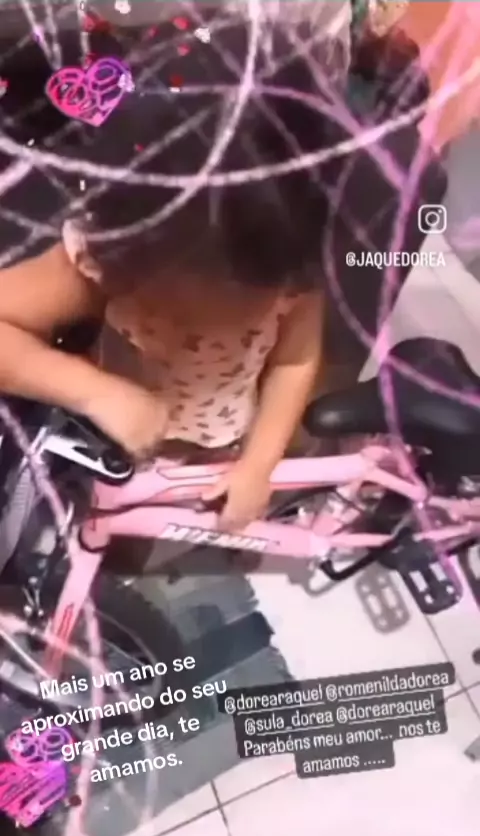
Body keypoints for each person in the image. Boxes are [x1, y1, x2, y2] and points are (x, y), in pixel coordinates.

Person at [0, 19, 333, 533]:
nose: (220, 309)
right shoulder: (105, 257)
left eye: (248, 291)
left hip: (215, 442)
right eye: (197, 284)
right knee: (106, 523)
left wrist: (259, 463)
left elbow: (295, 360)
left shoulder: (291, 272)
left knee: (164, 524)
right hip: (109, 434)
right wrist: (93, 393)